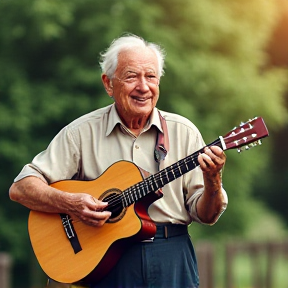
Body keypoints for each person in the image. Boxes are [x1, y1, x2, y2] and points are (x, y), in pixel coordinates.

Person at [9, 34, 228, 288]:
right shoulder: (80, 133)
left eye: (151, 76)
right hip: (106, 262)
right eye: (132, 76)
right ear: (109, 84)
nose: (143, 86)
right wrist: (71, 203)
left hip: (172, 256)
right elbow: (21, 188)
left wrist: (213, 180)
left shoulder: (184, 131)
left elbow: (208, 216)